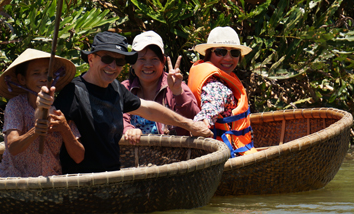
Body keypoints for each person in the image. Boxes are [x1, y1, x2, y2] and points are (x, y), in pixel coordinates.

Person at [53, 31, 212, 174]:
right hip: (81, 179)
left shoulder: (115, 88)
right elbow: (48, 128)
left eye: (120, 61)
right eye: (107, 59)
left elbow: (149, 109)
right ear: (91, 59)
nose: (113, 67)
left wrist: (189, 125)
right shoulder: (72, 92)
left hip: (113, 177)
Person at [0, 48, 84, 177]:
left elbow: (79, 156)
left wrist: (65, 129)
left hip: (49, 180)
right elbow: (13, 147)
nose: (43, 79)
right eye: (36, 73)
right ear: (22, 79)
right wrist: (35, 131)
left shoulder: (61, 106)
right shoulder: (16, 105)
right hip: (14, 179)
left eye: (47, 73)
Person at [188, 26, 258, 158]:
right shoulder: (214, 85)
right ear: (209, 54)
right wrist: (203, 122)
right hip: (228, 154)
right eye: (220, 52)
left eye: (234, 53)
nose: (228, 58)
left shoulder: (222, 78)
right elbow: (212, 104)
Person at [121, 31, 200, 145]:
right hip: (133, 157)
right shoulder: (125, 88)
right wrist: (128, 129)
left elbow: (194, 120)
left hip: (173, 157)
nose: (148, 65)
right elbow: (116, 116)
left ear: (163, 62)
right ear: (132, 63)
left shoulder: (175, 85)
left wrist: (178, 93)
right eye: (142, 59)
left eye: (154, 59)